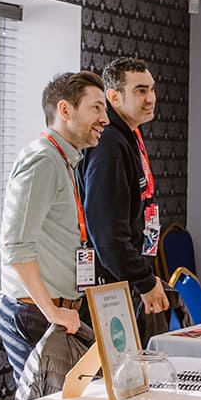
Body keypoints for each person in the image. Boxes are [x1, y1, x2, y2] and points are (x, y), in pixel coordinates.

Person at [0, 71, 109, 387]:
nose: (105, 119)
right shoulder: (43, 160)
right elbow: (16, 246)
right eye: (96, 108)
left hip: (59, 314)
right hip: (36, 315)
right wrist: (51, 312)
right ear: (65, 110)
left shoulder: (64, 160)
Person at [80, 57, 170, 343]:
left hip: (126, 277)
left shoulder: (129, 135)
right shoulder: (109, 143)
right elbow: (107, 231)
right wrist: (143, 280)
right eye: (140, 91)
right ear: (114, 96)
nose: (151, 98)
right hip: (108, 284)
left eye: (152, 89)